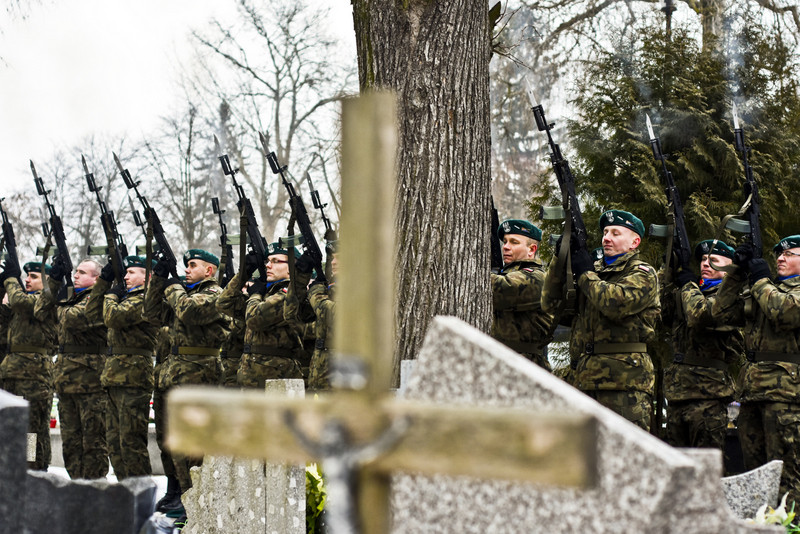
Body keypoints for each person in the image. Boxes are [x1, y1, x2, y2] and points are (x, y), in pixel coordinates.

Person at [543, 209, 660, 430]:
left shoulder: (642, 273)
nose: (606, 238)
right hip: (585, 380)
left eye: (616, 233)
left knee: (625, 455)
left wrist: (586, 274)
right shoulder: (593, 273)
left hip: (624, 384)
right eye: (605, 232)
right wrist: (559, 261)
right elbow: (551, 304)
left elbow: (614, 304)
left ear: (635, 242)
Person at [711, 234, 800, 502]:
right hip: (752, 393)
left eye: (789, 254)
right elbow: (720, 313)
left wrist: (760, 279)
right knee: (755, 475)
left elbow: (784, 312)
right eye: (778, 255)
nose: (781, 258)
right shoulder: (765, 289)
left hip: (787, 396)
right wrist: (737, 274)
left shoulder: (776, 290)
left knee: (787, 475)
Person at [148, 249, 228, 523]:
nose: (187, 270)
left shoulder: (215, 293)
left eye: (192, 265)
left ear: (209, 270)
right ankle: (180, 495)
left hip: (198, 375)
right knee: (171, 441)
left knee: (192, 445)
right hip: (174, 374)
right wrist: (159, 280)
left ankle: (195, 501)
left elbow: (188, 311)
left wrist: (172, 288)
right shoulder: (183, 291)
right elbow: (151, 313)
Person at [665, 240, 743, 451]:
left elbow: (700, 316)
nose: (705, 264)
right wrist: (670, 273)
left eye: (714, 260)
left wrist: (688, 284)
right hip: (678, 392)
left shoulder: (732, 298)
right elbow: (661, 312)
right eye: (703, 260)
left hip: (709, 393)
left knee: (706, 465)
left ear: (728, 270)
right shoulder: (690, 293)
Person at [88, 256, 158, 479]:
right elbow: (91, 313)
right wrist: (103, 283)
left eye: (131, 272)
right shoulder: (123, 297)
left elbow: (113, 317)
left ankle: (141, 496)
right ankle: (124, 494)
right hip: (113, 377)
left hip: (133, 378)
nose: (126, 277)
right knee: (114, 444)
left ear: (147, 277)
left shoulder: (146, 299)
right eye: (125, 272)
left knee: (131, 444)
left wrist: (110, 294)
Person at [44, 257, 109, 479]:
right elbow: (42, 311)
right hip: (64, 381)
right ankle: (74, 486)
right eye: (76, 271)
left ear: (96, 279)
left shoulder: (96, 300)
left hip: (89, 382)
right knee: (70, 442)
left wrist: (61, 299)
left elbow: (74, 319)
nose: (76, 275)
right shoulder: (71, 298)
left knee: (92, 442)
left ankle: (94, 491)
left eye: (82, 272)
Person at [219, 243, 303, 389]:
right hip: (251, 376)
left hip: (277, 376)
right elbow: (224, 303)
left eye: (276, 261)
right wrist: (243, 273)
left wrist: (255, 294)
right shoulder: (266, 293)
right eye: (267, 261)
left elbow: (254, 319)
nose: (268, 266)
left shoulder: (291, 294)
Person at [0, 261, 57, 470]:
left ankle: (33, 471)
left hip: (34, 377)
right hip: (12, 372)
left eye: (33, 276)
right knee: (12, 428)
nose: (27, 280)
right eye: (26, 276)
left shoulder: (46, 300)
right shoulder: (22, 302)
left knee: (32, 430)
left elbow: (18, 301)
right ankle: (16, 470)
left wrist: (10, 279)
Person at [491, 219, 554, 370]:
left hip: (527, 367)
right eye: (505, 241)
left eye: (514, 242)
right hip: (503, 362)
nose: (505, 247)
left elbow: (501, 288)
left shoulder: (537, 277)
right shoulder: (506, 274)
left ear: (531, 249)